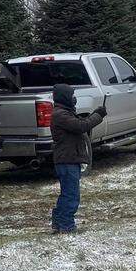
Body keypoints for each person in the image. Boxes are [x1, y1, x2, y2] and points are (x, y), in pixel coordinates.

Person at [50, 83, 106, 233]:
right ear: (64, 97)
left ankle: (59, 222)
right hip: (67, 160)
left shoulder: (64, 113)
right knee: (71, 195)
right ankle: (67, 226)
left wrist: (94, 114)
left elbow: (80, 123)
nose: (74, 99)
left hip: (68, 159)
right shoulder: (60, 115)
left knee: (67, 193)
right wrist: (97, 115)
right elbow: (81, 126)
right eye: (71, 96)